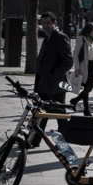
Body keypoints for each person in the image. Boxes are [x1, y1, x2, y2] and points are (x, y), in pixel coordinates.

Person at [33, 11, 73, 146]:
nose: (45, 25)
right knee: (41, 113)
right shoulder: (47, 38)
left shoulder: (60, 37)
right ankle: (34, 140)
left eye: (48, 23)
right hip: (45, 83)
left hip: (56, 85)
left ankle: (63, 142)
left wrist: (53, 76)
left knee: (60, 116)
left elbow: (68, 62)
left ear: (54, 23)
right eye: (43, 23)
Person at [70, 22, 93, 116]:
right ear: (88, 30)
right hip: (84, 65)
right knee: (88, 87)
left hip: (91, 65)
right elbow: (75, 54)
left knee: (89, 87)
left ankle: (77, 102)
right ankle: (85, 109)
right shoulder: (81, 39)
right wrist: (77, 68)